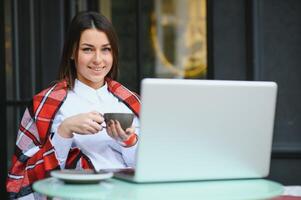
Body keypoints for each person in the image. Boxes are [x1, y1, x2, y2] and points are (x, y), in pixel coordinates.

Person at [7, 11, 140, 199]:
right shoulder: (46, 104)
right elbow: (22, 178)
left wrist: (129, 142)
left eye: (105, 49)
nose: (98, 59)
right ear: (72, 52)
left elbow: (152, 171)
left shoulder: (131, 102)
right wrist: (64, 131)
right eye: (87, 49)